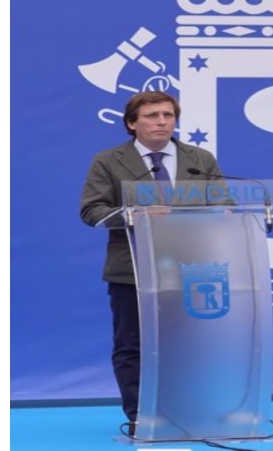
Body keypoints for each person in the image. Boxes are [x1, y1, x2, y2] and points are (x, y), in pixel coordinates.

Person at [79, 91, 224, 435]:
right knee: (133, 346)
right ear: (132, 123)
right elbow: (91, 210)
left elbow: (225, 203)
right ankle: (142, 417)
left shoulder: (199, 159)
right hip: (133, 269)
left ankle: (193, 412)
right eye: (152, 116)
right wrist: (135, 214)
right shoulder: (109, 161)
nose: (162, 122)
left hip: (191, 269)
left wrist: (226, 212)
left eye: (168, 115)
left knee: (191, 345)